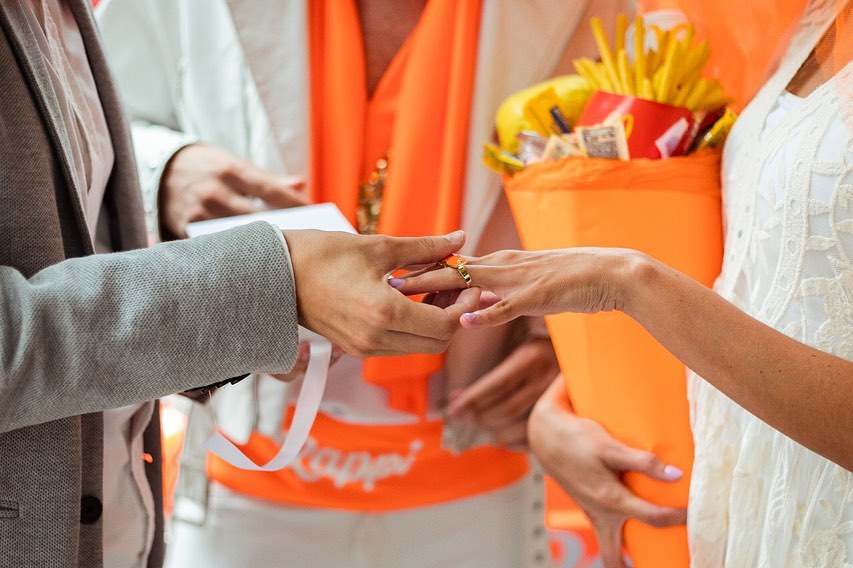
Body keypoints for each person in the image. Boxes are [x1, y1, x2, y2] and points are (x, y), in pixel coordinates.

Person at [95, 1, 631, 566]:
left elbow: (639, 197)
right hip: (245, 479)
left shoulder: (594, 8)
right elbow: (80, 130)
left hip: (476, 478)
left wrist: (564, 346)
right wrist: (165, 170)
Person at [0, 2, 479, 567]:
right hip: (246, 464)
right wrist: (173, 180)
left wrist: (556, 348)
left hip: (475, 457)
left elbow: (86, 168)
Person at [398, 1, 853, 565]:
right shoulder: (809, 22)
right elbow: (766, 280)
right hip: (741, 525)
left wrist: (629, 283)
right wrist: (563, 405)